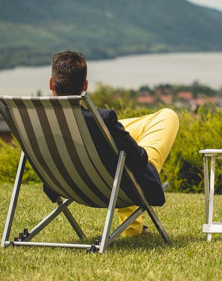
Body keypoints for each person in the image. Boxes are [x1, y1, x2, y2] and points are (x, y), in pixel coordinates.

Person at [49, 51, 179, 237]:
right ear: (85, 86)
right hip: (115, 185)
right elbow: (139, 161)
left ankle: (133, 227)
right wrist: (133, 147)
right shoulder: (102, 121)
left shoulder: (35, 123)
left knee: (118, 139)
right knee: (168, 115)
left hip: (69, 185)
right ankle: (131, 228)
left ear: (51, 83)